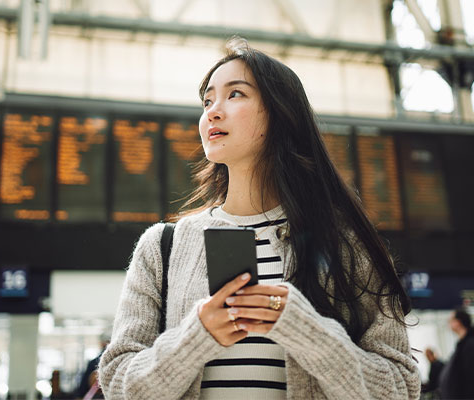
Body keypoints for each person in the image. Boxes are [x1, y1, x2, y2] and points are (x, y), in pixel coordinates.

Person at [98, 37, 420, 399]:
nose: (213, 112)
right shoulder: (162, 248)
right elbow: (117, 384)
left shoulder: (344, 243)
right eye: (207, 101)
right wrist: (196, 337)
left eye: (235, 94)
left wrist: (305, 330)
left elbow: (399, 388)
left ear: (281, 113)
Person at [439, 307, 474, 399]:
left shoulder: (470, 345)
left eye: (450, 320)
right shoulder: (462, 344)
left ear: (458, 322)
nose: (448, 323)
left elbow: (470, 377)